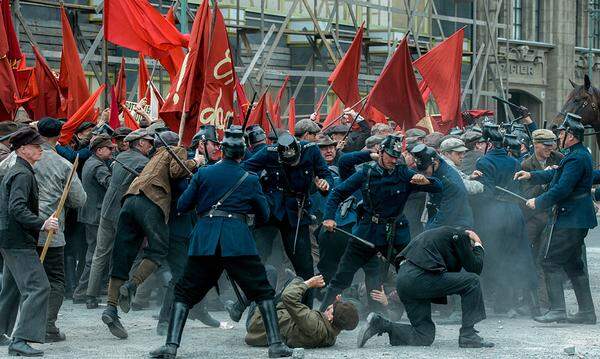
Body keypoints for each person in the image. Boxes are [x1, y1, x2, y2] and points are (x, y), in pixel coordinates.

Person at [149, 127, 293, 359]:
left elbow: (183, 205)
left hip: (205, 239)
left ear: (222, 150)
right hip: (237, 241)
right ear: (242, 153)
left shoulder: (203, 174)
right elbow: (264, 214)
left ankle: (171, 346)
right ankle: (275, 345)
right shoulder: (250, 178)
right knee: (262, 291)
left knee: (185, 293)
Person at [319, 134, 443, 310]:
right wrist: (329, 217)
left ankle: (418, 319)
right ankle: (321, 314)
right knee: (342, 276)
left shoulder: (403, 173)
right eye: (390, 155)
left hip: (396, 232)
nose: (394, 159)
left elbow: (438, 187)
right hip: (367, 232)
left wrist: (426, 180)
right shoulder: (366, 173)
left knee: (411, 273)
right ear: (381, 152)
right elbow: (338, 193)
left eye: (396, 156)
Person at [101, 131, 201, 339]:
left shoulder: (152, 157)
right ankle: (132, 285)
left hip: (129, 202)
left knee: (122, 255)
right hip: (151, 204)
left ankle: (111, 308)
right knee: (158, 250)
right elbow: (176, 170)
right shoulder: (176, 151)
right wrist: (195, 161)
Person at [515, 113, 597, 324]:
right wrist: (532, 175)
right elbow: (556, 174)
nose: (559, 137)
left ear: (571, 136)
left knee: (549, 261)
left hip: (571, 217)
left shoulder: (576, 157)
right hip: (576, 217)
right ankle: (587, 313)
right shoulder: (576, 155)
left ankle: (558, 309)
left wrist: (539, 201)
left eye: (562, 133)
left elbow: (562, 188)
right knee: (573, 264)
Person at [357, 226, 493, 349]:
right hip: (418, 277)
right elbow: (475, 268)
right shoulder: (461, 235)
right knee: (472, 281)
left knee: (424, 335)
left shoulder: (438, 236)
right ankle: (468, 336)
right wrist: (478, 245)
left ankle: (380, 324)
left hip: (404, 280)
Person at [244, 133, 333, 308]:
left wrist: (324, 184)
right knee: (255, 257)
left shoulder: (311, 150)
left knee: (305, 265)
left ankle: (305, 310)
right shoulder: (269, 152)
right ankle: (248, 303)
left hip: (296, 212)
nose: (293, 163)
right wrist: (256, 194)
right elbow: (245, 170)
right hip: (270, 209)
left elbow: (325, 174)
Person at [0, 128, 59, 356]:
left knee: (12, 289)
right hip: (17, 239)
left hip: (9, 237)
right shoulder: (22, 174)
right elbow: (17, 208)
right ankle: (21, 339)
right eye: (36, 146)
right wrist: (42, 223)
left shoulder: (19, 170)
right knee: (38, 287)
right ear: (23, 150)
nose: (40, 149)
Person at [85, 129, 153, 309]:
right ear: (140, 143)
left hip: (107, 211)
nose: (151, 145)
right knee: (136, 254)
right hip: (124, 213)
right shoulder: (143, 162)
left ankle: (91, 296)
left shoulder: (119, 157)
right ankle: (126, 293)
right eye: (148, 142)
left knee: (100, 254)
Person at [475, 124, 537, 314]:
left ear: (488, 143)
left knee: (494, 256)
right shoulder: (514, 162)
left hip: (494, 213)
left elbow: (485, 193)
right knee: (513, 255)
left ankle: (496, 302)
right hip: (513, 211)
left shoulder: (483, 162)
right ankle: (507, 300)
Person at [35, 118, 87, 342]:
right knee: (55, 280)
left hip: (23, 229)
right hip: (51, 231)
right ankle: (47, 327)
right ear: (59, 136)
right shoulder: (63, 164)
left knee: (24, 280)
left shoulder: (20, 158)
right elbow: (79, 199)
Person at [245, 275, 359, 348]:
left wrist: (308, 283)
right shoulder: (331, 334)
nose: (328, 307)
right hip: (277, 318)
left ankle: (239, 306)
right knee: (296, 281)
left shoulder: (313, 324)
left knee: (269, 273)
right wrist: (337, 305)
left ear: (331, 318)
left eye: (330, 308)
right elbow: (340, 317)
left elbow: (288, 296)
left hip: (259, 322)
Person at [519, 129, 563, 311]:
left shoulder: (559, 158)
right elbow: (525, 195)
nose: (550, 148)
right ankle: (530, 302)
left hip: (553, 217)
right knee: (527, 258)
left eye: (552, 144)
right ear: (535, 144)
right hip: (533, 219)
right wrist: (544, 179)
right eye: (546, 145)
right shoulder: (526, 165)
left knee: (548, 260)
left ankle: (548, 304)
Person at [73, 134, 115, 304]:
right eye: (109, 148)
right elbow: (110, 184)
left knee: (94, 254)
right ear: (99, 150)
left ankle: (86, 289)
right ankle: (82, 291)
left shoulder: (91, 162)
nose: (113, 150)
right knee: (95, 255)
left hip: (90, 214)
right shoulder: (99, 166)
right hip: (96, 215)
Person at [411, 144, 474, 230]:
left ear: (435, 163)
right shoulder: (436, 170)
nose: (423, 175)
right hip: (439, 219)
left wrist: (428, 233)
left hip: (456, 226)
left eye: (425, 172)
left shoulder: (450, 183)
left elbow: (445, 217)